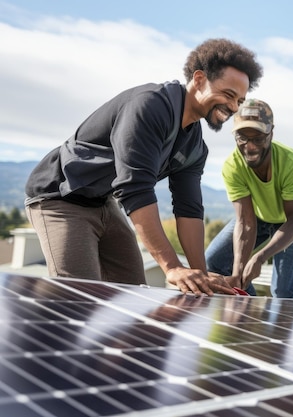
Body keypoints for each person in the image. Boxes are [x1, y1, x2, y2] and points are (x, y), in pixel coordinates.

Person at [24, 38, 263, 297]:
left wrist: (201, 275)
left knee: (132, 293)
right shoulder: (149, 106)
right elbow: (135, 188)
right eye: (228, 94)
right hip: (60, 197)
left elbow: (189, 209)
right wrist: (171, 267)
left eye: (239, 100)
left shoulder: (195, 146)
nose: (233, 107)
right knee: (78, 298)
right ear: (199, 79)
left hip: (103, 202)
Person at [204, 99, 293, 299]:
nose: (250, 147)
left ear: (271, 133)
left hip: (289, 220)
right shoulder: (232, 166)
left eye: (258, 138)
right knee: (215, 261)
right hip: (257, 216)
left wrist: (260, 258)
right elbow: (245, 222)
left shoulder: (291, 162)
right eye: (242, 137)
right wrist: (238, 272)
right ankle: (250, 306)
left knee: (283, 292)